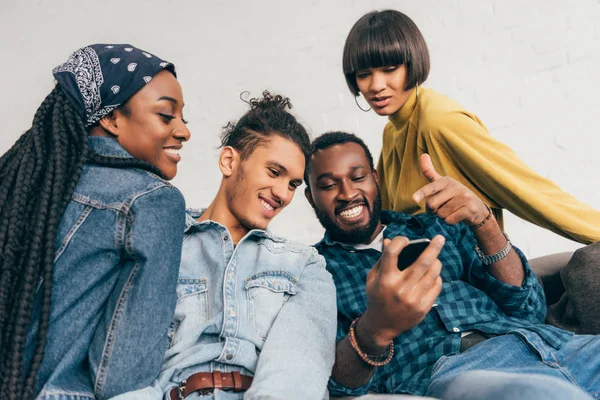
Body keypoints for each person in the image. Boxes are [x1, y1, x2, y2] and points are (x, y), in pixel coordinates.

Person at [304, 131, 600, 399]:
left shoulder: (439, 226)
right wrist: (375, 328)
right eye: (328, 185)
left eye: (357, 177)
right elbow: (338, 382)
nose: (347, 193)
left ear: (376, 178)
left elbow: (530, 310)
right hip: (459, 371)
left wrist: (484, 223)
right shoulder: (314, 273)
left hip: (551, 344)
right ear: (310, 197)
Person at [114, 92, 337, 400]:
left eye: (293, 184)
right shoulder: (163, 244)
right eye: (274, 172)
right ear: (229, 160)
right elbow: (126, 360)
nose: (283, 193)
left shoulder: (303, 265)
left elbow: (296, 369)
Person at [0, 44, 191, 400]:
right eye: (166, 116)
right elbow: (123, 375)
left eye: (184, 118)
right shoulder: (152, 201)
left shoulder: (25, 187)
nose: (184, 132)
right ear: (112, 118)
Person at [342, 9, 600, 244]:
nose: (376, 86)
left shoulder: (439, 121)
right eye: (364, 75)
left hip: (471, 277)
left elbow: (528, 191)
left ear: (413, 64)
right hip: (420, 275)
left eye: (389, 69)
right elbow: (385, 214)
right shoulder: (392, 130)